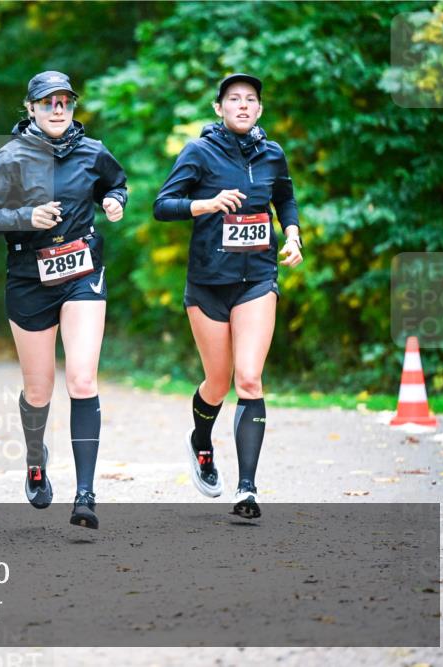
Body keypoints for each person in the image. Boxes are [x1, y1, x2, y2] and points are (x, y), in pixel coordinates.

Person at [0, 71, 127, 529]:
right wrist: (26, 215)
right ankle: (36, 459)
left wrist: (115, 201)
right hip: (28, 278)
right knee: (39, 391)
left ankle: (85, 495)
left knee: (81, 379)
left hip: (82, 272)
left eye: (65, 102)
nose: (58, 109)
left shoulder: (93, 151)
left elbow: (117, 184)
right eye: (48, 102)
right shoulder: (11, 158)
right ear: (31, 108)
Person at [153, 73, 303, 519]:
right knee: (217, 383)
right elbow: (163, 205)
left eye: (250, 99)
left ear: (259, 109)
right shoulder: (199, 152)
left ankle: (247, 488)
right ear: (219, 107)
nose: (242, 105)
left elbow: (286, 200)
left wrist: (293, 236)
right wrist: (206, 203)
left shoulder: (272, 154)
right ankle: (201, 442)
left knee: (249, 378)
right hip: (208, 283)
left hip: (257, 277)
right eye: (233, 99)